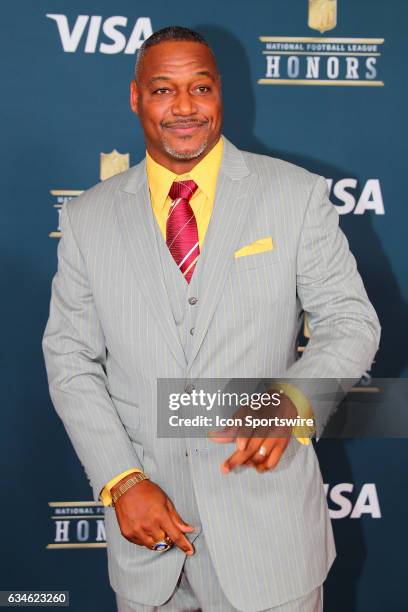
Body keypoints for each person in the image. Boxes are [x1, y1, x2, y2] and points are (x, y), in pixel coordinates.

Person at [42, 26, 381, 612]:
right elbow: (70, 360)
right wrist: (122, 481)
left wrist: (292, 400)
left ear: (221, 92)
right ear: (135, 97)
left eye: (200, 87)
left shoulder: (294, 195)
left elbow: (352, 322)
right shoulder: (86, 219)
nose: (184, 108)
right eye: (163, 90)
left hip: (270, 538)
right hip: (148, 542)